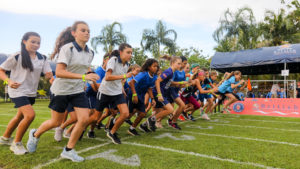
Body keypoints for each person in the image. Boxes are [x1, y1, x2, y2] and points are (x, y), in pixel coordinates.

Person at [26, 21, 99, 162]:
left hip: (77, 90)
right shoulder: (68, 49)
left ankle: (69, 150)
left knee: (83, 119)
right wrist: (84, 76)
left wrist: (89, 75)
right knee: (55, 122)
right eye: (83, 30)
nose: (87, 33)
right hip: (61, 90)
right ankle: (35, 134)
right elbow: (59, 72)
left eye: (88, 31)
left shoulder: (90, 52)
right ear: (74, 33)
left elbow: (84, 69)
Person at [0, 32, 52, 155]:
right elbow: (1, 70)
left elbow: (48, 74)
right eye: (33, 42)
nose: (36, 45)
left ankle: (5, 138)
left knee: (20, 116)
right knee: (29, 115)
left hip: (31, 93)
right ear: (24, 41)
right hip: (17, 90)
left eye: (38, 42)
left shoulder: (42, 58)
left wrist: (50, 77)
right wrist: (8, 81)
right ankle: (16, 144)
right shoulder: (17, 56)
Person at [95, 43, 136, 144]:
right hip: (105, 91)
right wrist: (125, 76)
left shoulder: (126, 65)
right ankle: (78, 128)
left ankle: (112, 132)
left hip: (117, 92)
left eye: (131, 53)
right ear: (121, 52)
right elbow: (108, 77)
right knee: (95, 118)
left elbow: (121, 80)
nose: (130, 55)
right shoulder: (113, 60)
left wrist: (122, 88)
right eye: (128, 52)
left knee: (125, 113)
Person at [139, 56, 182, 132]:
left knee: (158, 112)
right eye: (178, 63)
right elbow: (157, 81)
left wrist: (179, 83)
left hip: (162, 93)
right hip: (158, 93)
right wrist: (159, 94)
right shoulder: (169, 71)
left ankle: (143, 125)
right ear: (172, 63)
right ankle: (151, 120)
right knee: (170, 109)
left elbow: (168, 83)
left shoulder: (172, 72)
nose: (180, 65)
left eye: (180, 64)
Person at [127, 59, 158, 135]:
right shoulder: (143, 74)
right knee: (127, 115)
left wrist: (152, 99)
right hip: (132, 94)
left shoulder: (154, 77)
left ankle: (132, 128)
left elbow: (149, 88)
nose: (156, 68)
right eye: (154, 66)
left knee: (143, 114)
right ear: (148, 67)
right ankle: (112, 123)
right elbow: (131, 83)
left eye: (157, 66)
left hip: (141, 96)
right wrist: (134, 95)